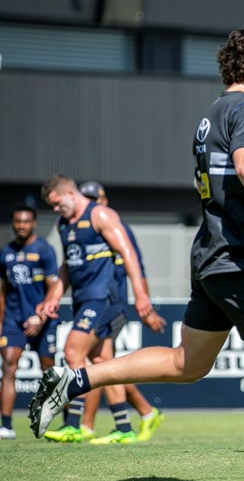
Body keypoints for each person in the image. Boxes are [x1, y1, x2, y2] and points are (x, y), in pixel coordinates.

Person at [28, 26, 244, 481]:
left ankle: (76, 380)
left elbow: (235, 173)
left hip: (209, 256)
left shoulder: (213, 112)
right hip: (238, 258)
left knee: (187, 363)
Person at [34, 176, 166, 444]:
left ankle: (74, 424)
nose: (56, 209)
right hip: (83, 300)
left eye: (58, 204)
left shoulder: (101, 216)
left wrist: (142, 296)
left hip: (104, 299)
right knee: (103, 363)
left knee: (73, 351)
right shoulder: (64, 224)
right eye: (52, 206)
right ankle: (124, 427)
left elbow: (129, 254)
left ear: (71, 193)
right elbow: (67, 265)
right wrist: (53, 296)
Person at [75, 181, 164, 443]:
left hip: (112, 303)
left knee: (100, 363)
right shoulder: (82, 229)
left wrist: (144, 305)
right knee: (102, 362)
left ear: (104, 200)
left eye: (95, 198)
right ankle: (144, 413)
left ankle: (90, 425)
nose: (92, 203)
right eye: (87, 199)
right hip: (95, 303)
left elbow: (137, 266)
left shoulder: (116, 226)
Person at [0, 204, 62, 440]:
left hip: (42, 320)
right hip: (13, 320)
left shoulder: (44, 250)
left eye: (26, 221)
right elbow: (2, 291)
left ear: (34, 223)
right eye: (17, 221)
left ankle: (69, 421)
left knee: (50, 372)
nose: (21, 226)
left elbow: (54, 287)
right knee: (8, 364)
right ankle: (6, 426)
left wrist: (41, 316)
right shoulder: (5, 253)